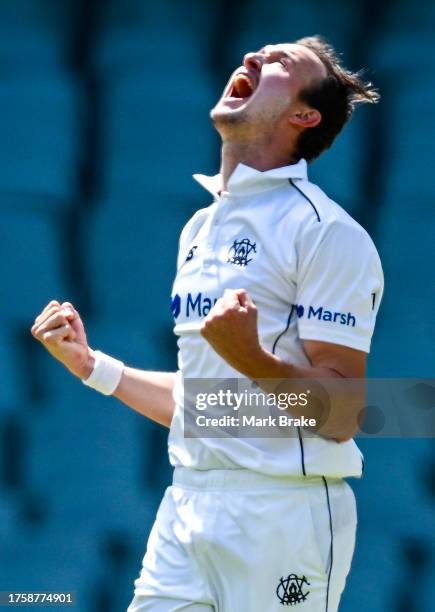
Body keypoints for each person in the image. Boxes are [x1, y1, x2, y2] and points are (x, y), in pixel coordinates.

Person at [31, 36, 383, 611]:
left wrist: (254, 360)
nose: (250, 59)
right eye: (256, 54)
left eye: (279, 63)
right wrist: (92, 367)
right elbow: (209, 402)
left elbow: (343, 412)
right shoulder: (199, 228)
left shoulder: (327, 232)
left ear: (304, 115)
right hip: (187, 506)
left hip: (284, 514)